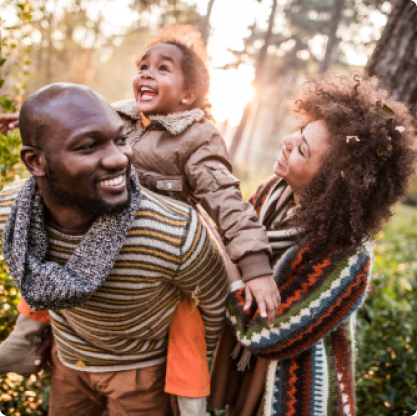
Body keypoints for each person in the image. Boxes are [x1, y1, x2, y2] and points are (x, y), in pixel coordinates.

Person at [0, 25, 280, 414]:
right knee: (41, 253)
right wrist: (25, 119)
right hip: (102, 225)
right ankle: (27, 335)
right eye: (143, 65)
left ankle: (190, 397)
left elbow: (226, 199)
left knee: (188, 320)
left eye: (163, 69)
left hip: (162, 239)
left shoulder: (197, 137)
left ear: (188, 95)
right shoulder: (124, 116)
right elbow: (66, 124)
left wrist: (255, 266)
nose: (147, 73)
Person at [0, 83, 228, 416]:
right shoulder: (10, 212)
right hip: (67, 360)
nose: (119, 158)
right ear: (36, 161)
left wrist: (187, 378)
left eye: (120, 140)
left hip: (142, 372)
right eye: (89, 146)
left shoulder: (175, 231)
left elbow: (212, 304)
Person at [207, 73, 417, 416]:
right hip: (242, 375)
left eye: (302, 148)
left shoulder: (347, 258)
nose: (287, 141)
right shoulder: (272, 192)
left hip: (292, 387)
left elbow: (269, 336)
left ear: (332, 183)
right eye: (299, 131)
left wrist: (233, 270)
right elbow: (228, 232)